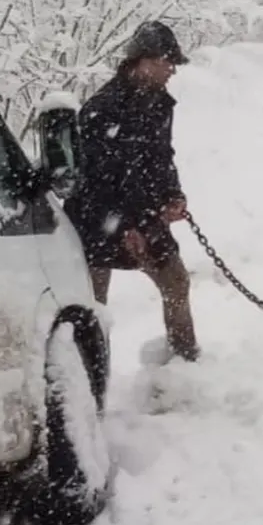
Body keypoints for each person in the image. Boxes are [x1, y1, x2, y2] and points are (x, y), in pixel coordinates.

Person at [67, 20, 199, 362]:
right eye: (166, 62)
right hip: (96, 222)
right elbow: (90, 182)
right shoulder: (101, 110)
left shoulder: (160, 105)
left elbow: (161, 158)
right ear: (143, 61)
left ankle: (185, 362)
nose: (171, 70)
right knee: (92, 309)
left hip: (144, 214)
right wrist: (123, 227)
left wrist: (173, 196)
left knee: (176, 282)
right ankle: (87, 379)